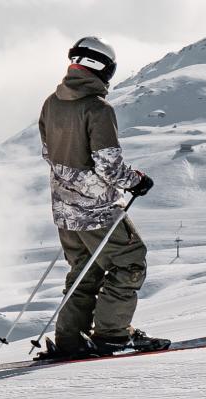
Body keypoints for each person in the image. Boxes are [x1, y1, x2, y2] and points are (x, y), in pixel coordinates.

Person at [34, 36, 168, 361]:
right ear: (101, 67)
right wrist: (136, 181)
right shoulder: (97, 108)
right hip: (95, 211)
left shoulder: (52, 103)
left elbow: (48, 152)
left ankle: (70, 338)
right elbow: (108, 165)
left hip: (63, 210)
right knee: (130, 261)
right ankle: (111, 334)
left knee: (84, 269)